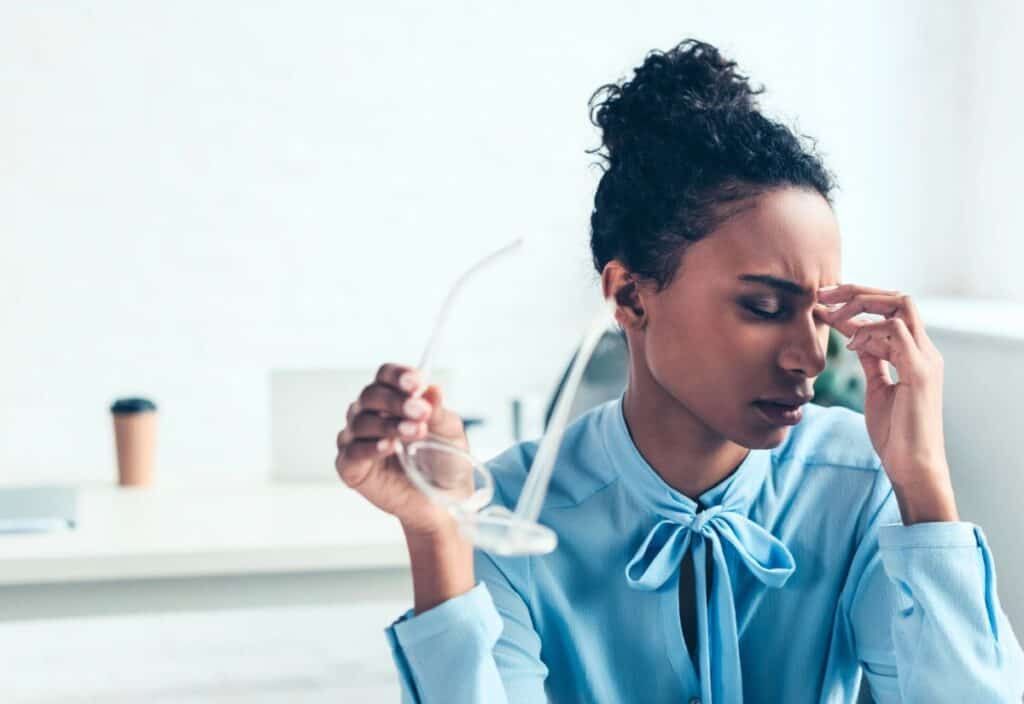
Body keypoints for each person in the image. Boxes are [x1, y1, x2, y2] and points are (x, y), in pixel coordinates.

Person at [335, 38, 1024, 703]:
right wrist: (439, 536)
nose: (810, 357)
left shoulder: (857, 483)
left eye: (819, 315)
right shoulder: (507, 515)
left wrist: (924, 481)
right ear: (630, 295)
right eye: (761, 306)